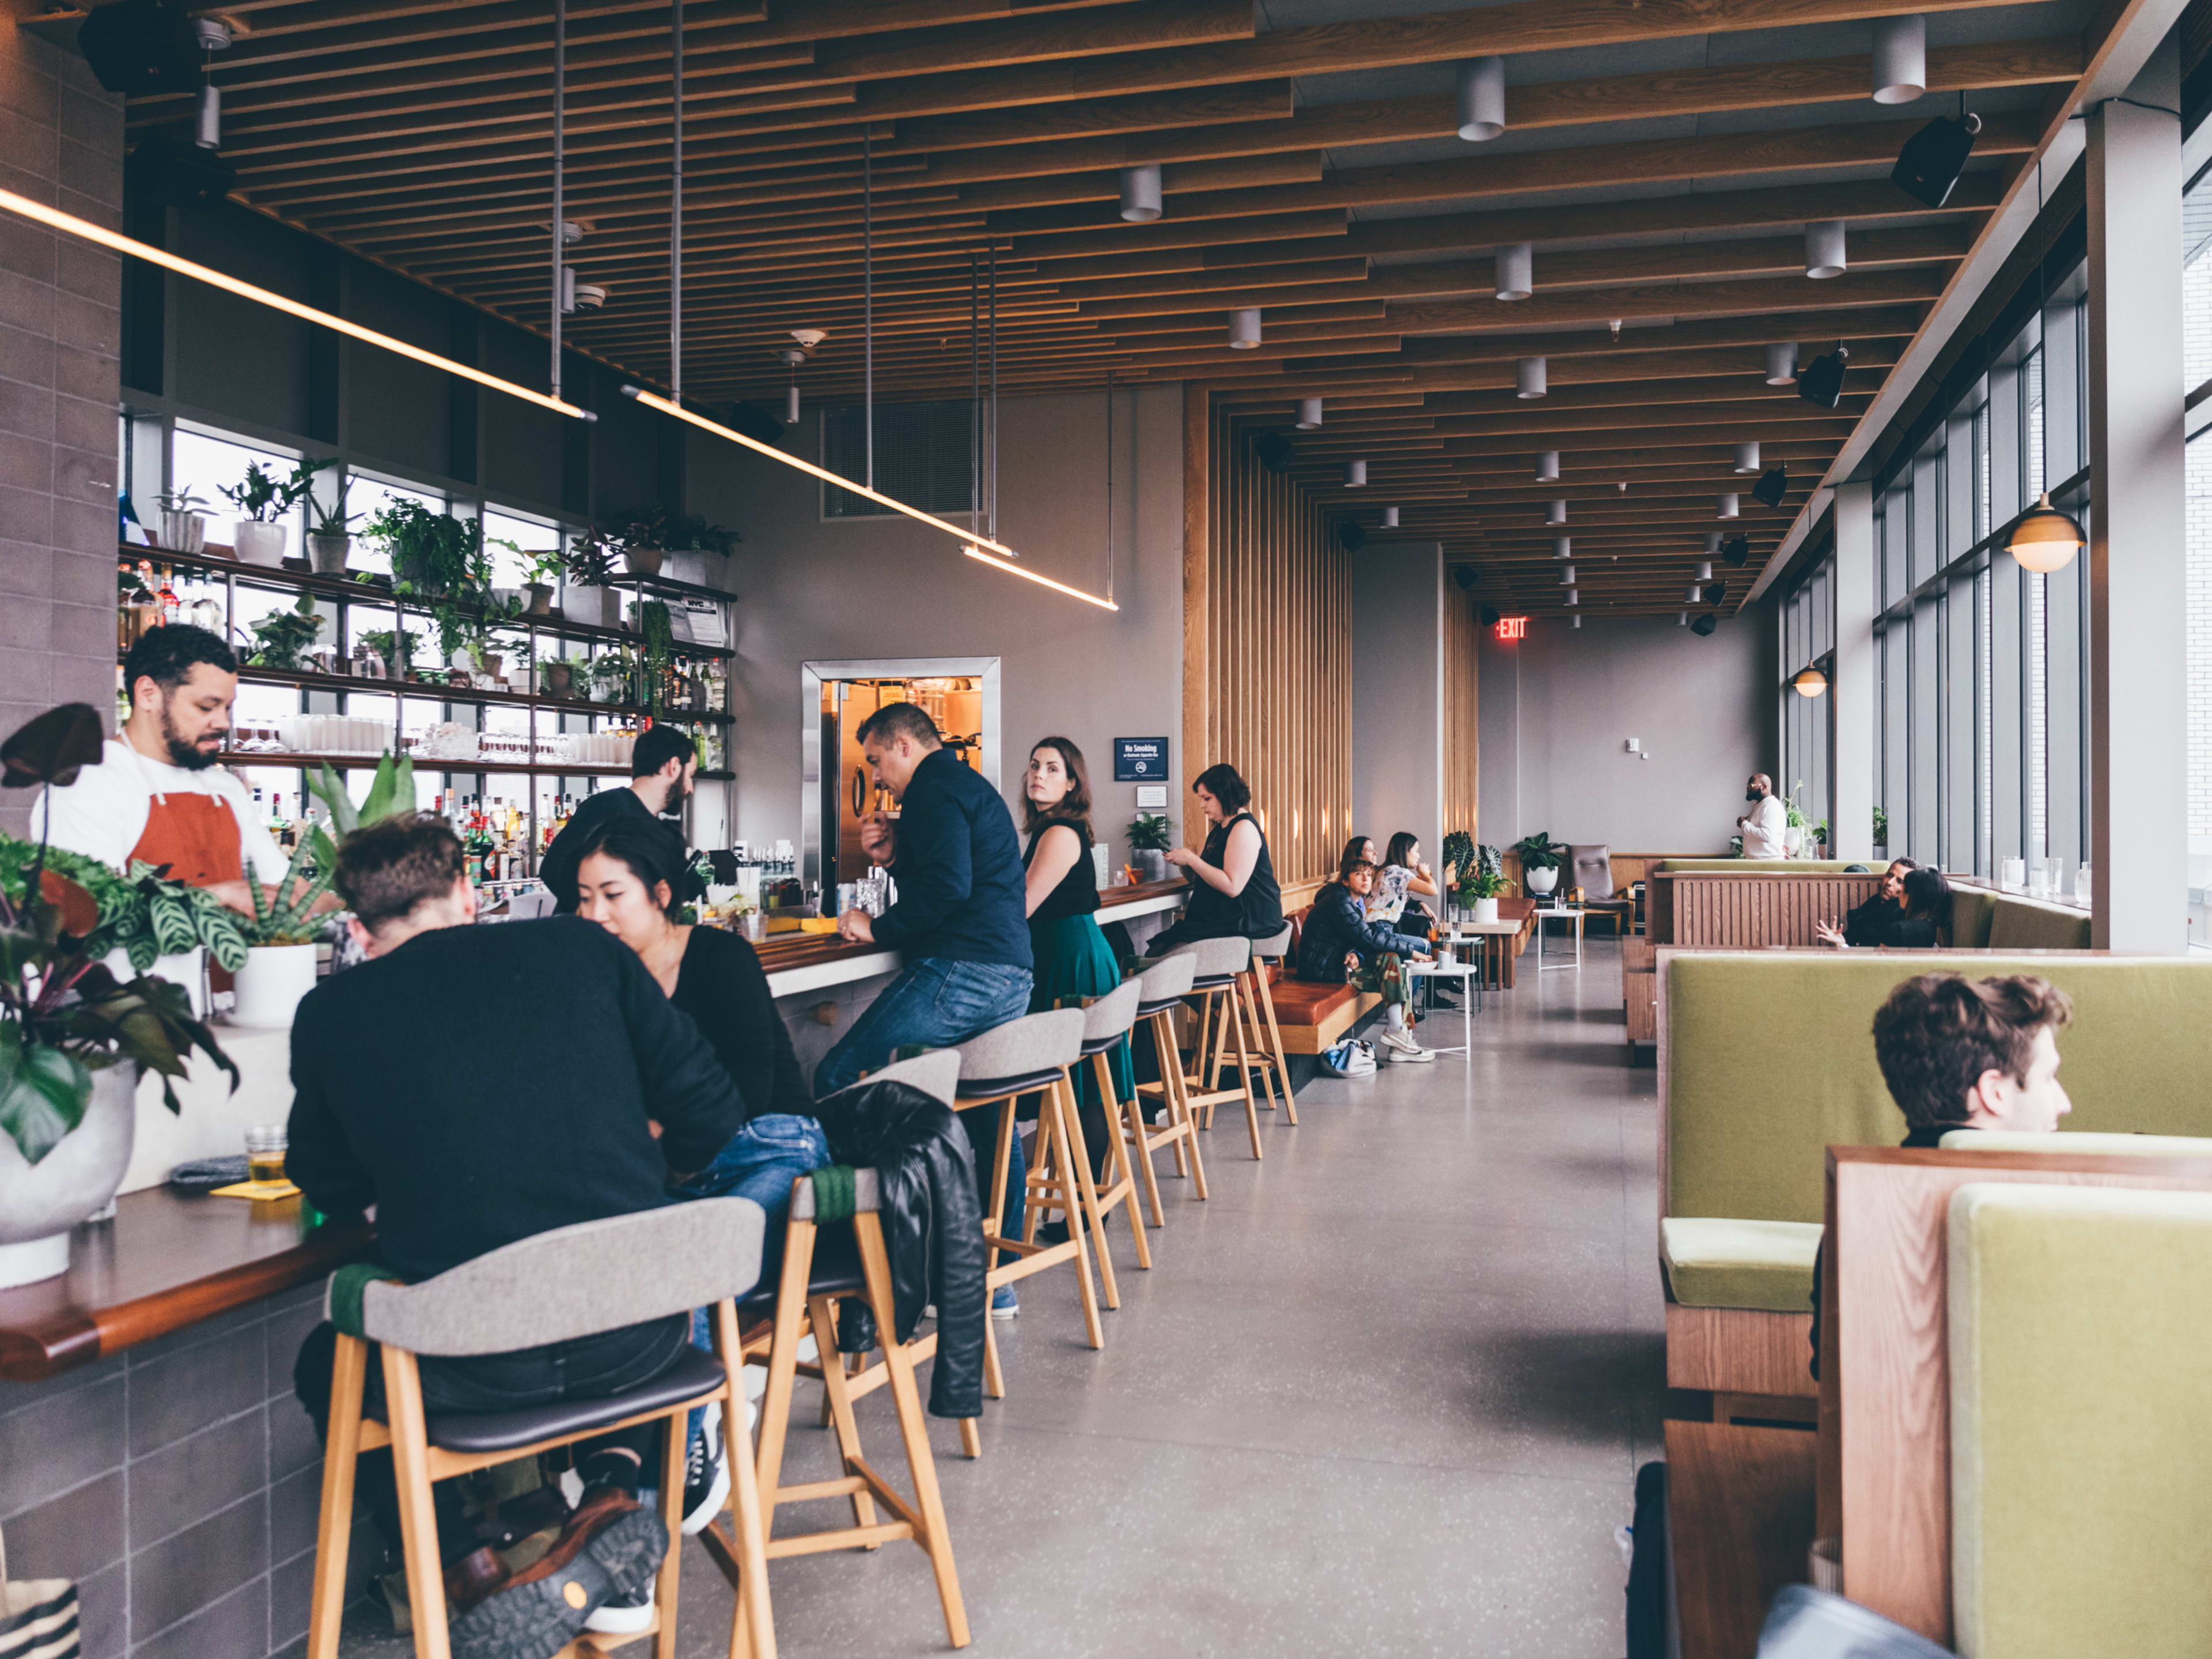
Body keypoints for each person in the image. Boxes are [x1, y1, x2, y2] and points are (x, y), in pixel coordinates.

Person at [286, 813, 751, 1647]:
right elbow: (712, 1109)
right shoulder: (585, 951)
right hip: (638, 1345)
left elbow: (326, 1181)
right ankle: (610, 1496)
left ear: (357, 928)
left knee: (330, 1362)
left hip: (471, 1367)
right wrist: (642, 1173)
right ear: (467, 892)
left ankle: (469, 1570)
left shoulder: (331, 1013)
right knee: (623, 1255)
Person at [573, 825, 827, 1533]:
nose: (595, 914)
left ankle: (683, 1446)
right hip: (681, 1169)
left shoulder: (720, 956)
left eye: (612, 896)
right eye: (584, 898)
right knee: (641, 1267)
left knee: (691, 1267)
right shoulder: (604, 980)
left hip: (774, 1149)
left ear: (661, 894)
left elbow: (745, 1087)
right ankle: (685, 1434)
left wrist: (650, 1138)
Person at [816, 702, 1033, 1316]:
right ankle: (996, 1282)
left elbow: (947, 890)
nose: (879, 776)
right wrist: (892, 857)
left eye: (879, 761)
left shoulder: (934, 792)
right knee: (993, 1123)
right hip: (1010, 970)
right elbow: (950, 874)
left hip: (962, 970)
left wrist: (876, 928)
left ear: (904, 746)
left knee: (839, 1079)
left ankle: (863, 1274)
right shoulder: (965, 786)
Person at [1808, 971, 2075, 1378]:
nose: (2063, 1103)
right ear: (1994, 1092)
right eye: (2048, 1078)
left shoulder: (1854, 1214)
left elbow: (1830, 1373)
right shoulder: (2042, 1216)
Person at [38, 624, 304, 916]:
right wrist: (220, 895)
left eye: (227, 708)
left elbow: (289, 890)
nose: (223, 722)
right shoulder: (87, 784)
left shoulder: (223, 787)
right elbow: (86, 911)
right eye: (206, 707)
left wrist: (353, 910)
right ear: (148, 694)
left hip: (228, 964)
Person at [1020, 738, 1132, 1182]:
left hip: (1072, 960)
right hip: (1066, 955)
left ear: (1071, 783)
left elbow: (1022, 905)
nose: (1038, 775)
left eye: (1052, 769)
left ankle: (1088, 1202)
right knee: (1084, 1083)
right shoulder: (1053, 830)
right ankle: (1088, 1202)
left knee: (1086, 1087)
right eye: (1034, 766)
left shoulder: (1059, 833)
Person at [537, 724, 703, 914]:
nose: (690, 788)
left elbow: (686, 885)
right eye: (690, 776)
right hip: (586, 939)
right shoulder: (609, 806)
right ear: (674, 767)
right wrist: (599, 916)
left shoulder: (657, 827)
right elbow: (553, 868)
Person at [1295, 854, 1435, 1063]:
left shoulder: (1355, 902)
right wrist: (1411, 951)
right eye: (1358, 874)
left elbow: (1355, 939)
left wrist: (1354, 954)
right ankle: (1398, 1033)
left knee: (1391, 963)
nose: (1366, 879)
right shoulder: (1339, 901)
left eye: (1369, 875)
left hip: (1336, 965)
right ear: (1345, 880)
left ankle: (1399, 1036)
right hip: (1321, 971)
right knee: (1392, 969)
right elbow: (1367, 937)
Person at [1145, 763, 1285, 954]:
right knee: (1157, 949)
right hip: (1224, 918)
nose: (1202, 805)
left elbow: (1232, 887)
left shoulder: (1243, 829)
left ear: (1225, 795)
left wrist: (1193, 860)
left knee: (1168, 953)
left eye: (1207, 798)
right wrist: (1184, 863)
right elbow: (1201, 879)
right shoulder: (1219, 829)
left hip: (1248, 920)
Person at [1815, 857, 1919, 948]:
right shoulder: (1875, 901)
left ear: (1909, 889)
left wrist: (1842, 945)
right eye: (1890, 875)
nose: (1889, 882)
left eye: (1899, 881)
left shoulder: (1898, 915)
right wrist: (1840, 940)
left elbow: (1870, 955)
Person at [1736, 773, 1788, 858]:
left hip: (1767, 863)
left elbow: (1767, 835)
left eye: (1752, 785)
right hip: (1761, 861)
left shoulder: (1771, 806)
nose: (1748, 788)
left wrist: (1744, 824)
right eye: (1748, 785)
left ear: (1764, 787)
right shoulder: (1762, 804)